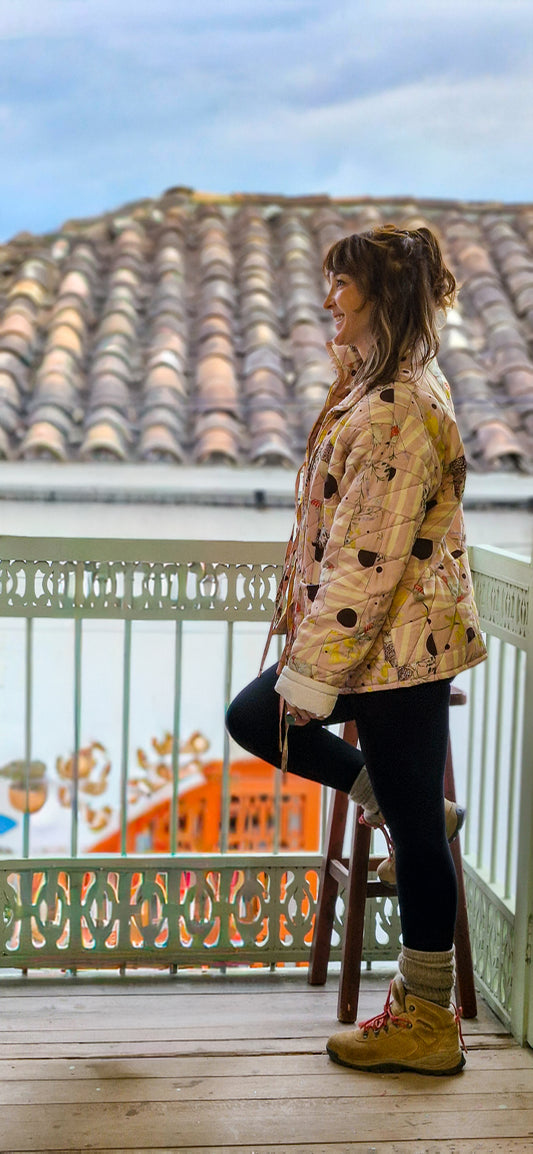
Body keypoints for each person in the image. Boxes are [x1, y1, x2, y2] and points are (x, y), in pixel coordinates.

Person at [226, 224, 487, 1076]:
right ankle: (394, 801)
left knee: (270, 722)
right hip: (387, 646)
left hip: (393, 646)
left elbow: (363, 566)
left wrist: (309, 679)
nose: (328, 297)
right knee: (404, 813)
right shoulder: (382, 387)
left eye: (342, 284)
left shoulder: (397, 408)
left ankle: (426, 1023)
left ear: (382, 295)